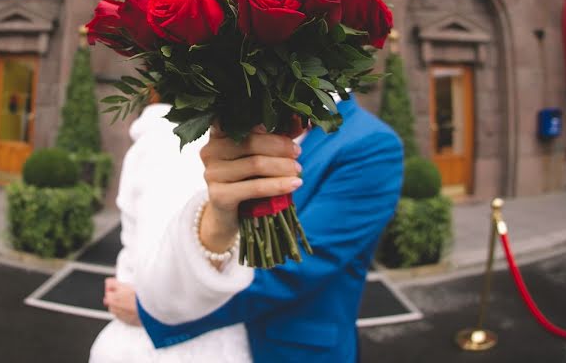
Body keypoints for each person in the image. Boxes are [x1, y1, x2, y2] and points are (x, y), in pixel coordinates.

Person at [134, 97, 404, 362]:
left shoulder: (371, 143)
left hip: (296, 349)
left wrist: (167, 305)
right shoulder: (240, 119)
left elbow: (296, 267)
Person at [88, 103, 252, 362]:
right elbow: (162, 265)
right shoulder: (174, 143)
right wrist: (145, 308)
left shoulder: (150, 142)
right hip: (170, 341)